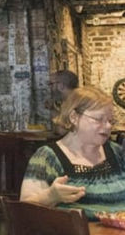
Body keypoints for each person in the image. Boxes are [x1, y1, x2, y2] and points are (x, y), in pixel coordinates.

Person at [20, 87, 125, 220]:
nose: (108, 126)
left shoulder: (117, 153)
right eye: (99, 119)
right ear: (74, 117)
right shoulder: (47, 157)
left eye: (111, 121)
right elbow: (22, 211)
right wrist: (51, 196)